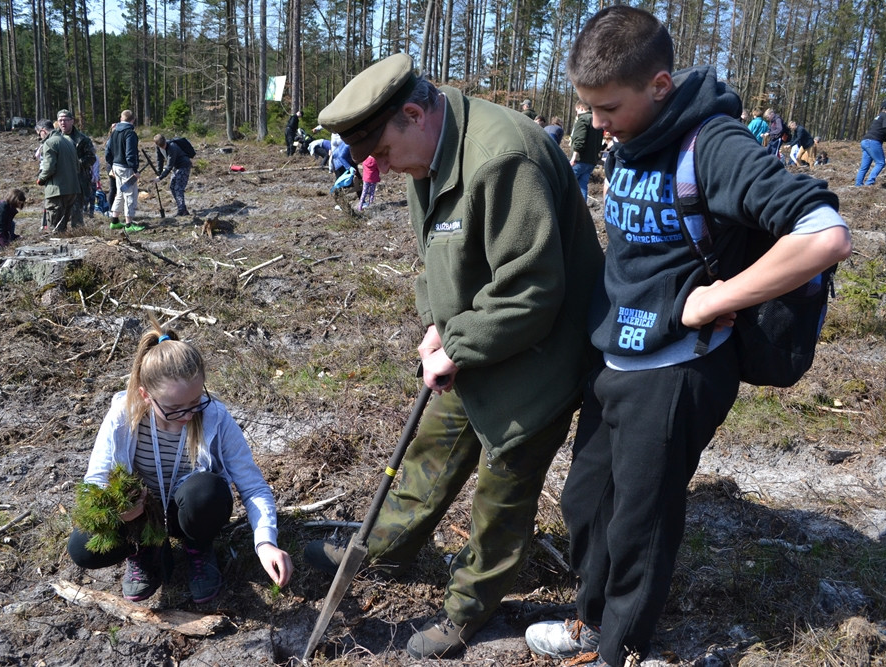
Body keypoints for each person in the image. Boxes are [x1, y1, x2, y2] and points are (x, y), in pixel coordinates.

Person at [522, 7, 851, 667]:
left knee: (640, 525)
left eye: (608, 107)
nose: (597, 123)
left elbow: (824, 234)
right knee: (588, 503)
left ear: (661, 86)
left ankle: (621, 650)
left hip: (678, 369)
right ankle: (592, 622)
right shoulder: (629, 138)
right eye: (587, 109)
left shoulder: (716, 144)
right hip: (616, 356)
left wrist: (715, 300)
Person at [306, 52, 604, 659]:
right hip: (475, 344)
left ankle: (467, 612)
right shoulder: (428, 160)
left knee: (502, 493)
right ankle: (382, 546)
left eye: (383, 155)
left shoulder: (504, 158)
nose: (382, 171)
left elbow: (532, 291)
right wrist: (436, 327)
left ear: (414, 114)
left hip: (538, 357)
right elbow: (436, 260)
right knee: (429, 453)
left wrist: (458, 342)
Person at [67, 317, 293, 603]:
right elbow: (96, 482)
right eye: (174, 408)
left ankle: (198, 548)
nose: (187, 415)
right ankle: (142, 551)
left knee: (206, 491)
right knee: (82, 547)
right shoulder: (122, 419)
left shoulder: (215, 418)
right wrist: (119, 515)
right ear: (145, 395)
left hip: (186, 514)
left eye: (196, 401)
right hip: (140, 516)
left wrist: (266, 543)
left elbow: (254, 487)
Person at [35, 118, 81, 233]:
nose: (40, 138)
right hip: (72, 189)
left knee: (54, 228)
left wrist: (40, 179)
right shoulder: (68, 141)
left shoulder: (50, 143)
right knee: (63, 227)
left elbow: (49, 167)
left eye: (39, 135)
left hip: (57, 191)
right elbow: (77, 166)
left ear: (43, 131)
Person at [56, 109, 95, 226]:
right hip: (60, 182)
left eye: (66, 120)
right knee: (58, 211)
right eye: (60, 120)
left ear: (72, 121)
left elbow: (91, 158)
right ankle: (59, 233)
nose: (63, 123)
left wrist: (75, 163)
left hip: (77, 182)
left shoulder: (82, 139)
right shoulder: (54, 138)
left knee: (76, 211)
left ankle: (77, 235)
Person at [105, 110, 143, 231]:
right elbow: (130, 154)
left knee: (120, 193)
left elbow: (107, 150)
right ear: (133, 120)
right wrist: (134, 170)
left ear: (121, 119)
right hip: (126, 168)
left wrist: (111, 165)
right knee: (130, 194)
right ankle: (129, 224)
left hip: (116, 167)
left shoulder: (114, 131)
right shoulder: (130, 133)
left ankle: (115, 221)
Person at [569, 100, 605, 200]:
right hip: (592, 160)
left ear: (581, 108)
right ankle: (581, 212)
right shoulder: (597, 121)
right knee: (582, 186)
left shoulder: (583, 119)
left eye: (577, 110)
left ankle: (563, 211)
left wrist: (574, 157)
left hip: (580, 160)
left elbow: (580, 140)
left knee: (567, 184)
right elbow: (599, 143)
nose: (577, 113)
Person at [856, 99, 886, 186]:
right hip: (873, 142)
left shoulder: (878, 116)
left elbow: (880, 133)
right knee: (881, 162)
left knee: (864, 167)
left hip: (865, 141)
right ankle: (869, 183)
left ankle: (858, 185)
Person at [153, 134, 193, 216]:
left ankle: (182, 210)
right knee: (172, 186)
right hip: (176, 166)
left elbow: (169, 166)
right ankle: (181, 208)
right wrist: (158, 172)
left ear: (165, 141)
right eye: (161, 146)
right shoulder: (158, 147)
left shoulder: (172, 147)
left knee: (178, 188)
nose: (163, 148)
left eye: (164, 145)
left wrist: (160, 178)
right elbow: (159, 160)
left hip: (183, 166)